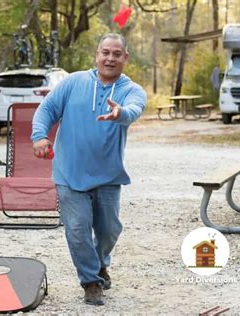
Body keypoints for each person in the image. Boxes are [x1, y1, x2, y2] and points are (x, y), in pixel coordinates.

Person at [31, 33, 146, 305]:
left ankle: (100, 262)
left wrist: (121, 114)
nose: (110, 58)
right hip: (69, 172)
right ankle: (91, 281)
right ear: (97, 55)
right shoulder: (73, 82)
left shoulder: (132, 90)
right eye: (105, 52)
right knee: (77, 228)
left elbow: (135, 109)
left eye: (116, 54)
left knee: (109, 230)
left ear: (125, 58)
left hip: (108, 174)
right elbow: (46, 109)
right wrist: (39, 136)